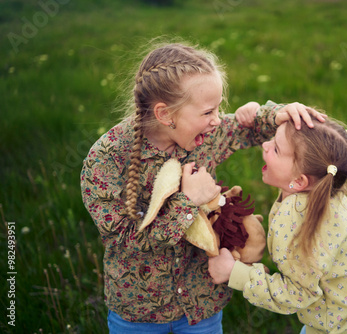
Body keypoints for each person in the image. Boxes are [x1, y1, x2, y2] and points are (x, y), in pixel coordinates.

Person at [80, 41, 325, 334]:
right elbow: (123, 243)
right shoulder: (107, 159)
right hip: (138, 313)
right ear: (165, 114)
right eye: (208, 112)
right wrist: (188, 200)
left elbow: (247, 128)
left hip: (202, 307)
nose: (217, 120)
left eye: (218, 108)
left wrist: (277, 113)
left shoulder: (206, 135)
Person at [208, 116, 347, 333]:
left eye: (276, 149)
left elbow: (298, 293)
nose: (264, 145)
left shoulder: (296, 219)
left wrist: (233, 272)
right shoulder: (327, 186)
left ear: (299, 181)